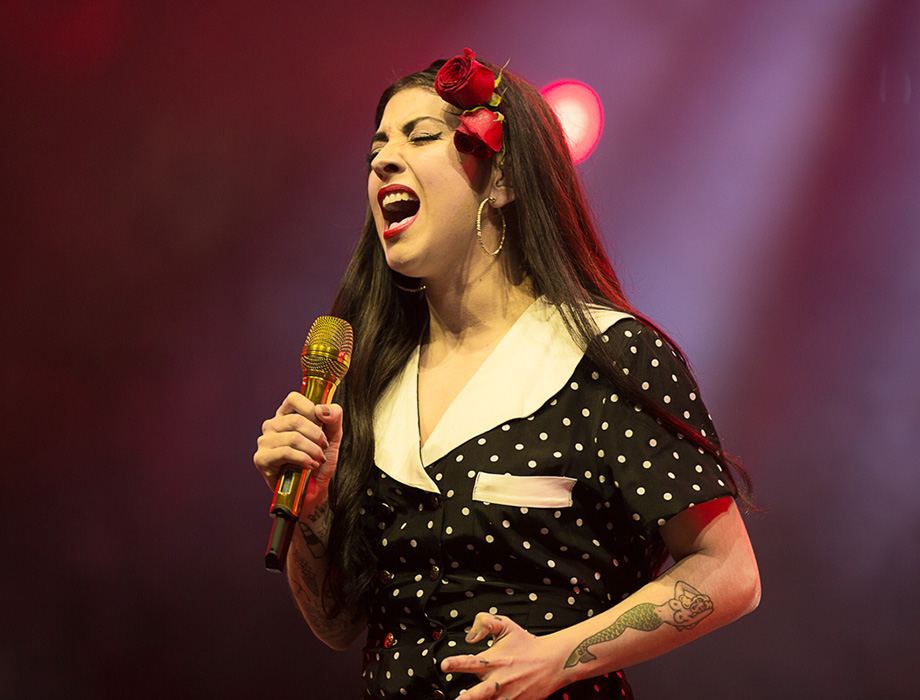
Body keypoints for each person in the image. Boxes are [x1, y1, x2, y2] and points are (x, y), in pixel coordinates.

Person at [254, 48, 760, 700]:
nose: (382, 161)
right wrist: (313, 511)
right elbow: (337, 624)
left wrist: (559, 656)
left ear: (502, 179)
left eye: (420, 137)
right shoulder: (375, 380)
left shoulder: (604, 357)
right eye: (376, 148)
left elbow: (728, 571)